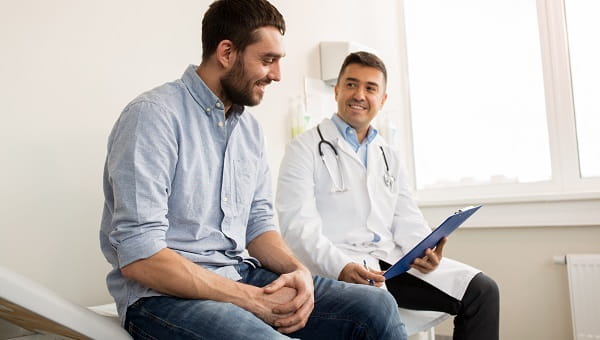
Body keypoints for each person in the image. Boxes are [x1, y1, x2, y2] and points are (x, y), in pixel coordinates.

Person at [99, 1, 407, 339]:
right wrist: (250, 299)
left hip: (239, 274)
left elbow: (257, 224)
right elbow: (140, 256)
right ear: (227, 52)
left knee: (376, 307)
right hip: (161, 299)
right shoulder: (153, 116)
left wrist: (298, 271)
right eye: (267, 60)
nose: (276, 75)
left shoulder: (248, 131)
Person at [276, 51, 500, 340]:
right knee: (376, 307)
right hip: (336, 268)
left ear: (382, 99)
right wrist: (341, 267)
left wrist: (425, 251)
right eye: (351, 84)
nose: (359, 94)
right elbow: (297, 229)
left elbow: (406, 216)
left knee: (483, 290)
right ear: (337, 90)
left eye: (370, 88)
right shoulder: (303, 149)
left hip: (389, 264)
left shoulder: (388, 154)